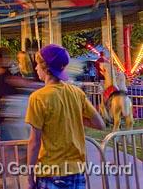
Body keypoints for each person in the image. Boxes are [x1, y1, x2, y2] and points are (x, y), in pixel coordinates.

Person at [26, 44, 105, 189]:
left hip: (50, 171)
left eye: (37, 64)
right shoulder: (77, 93)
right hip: (76, 171)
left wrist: (29, 176)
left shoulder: (38, 98)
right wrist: (72, 116)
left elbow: (34, 142)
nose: (36, 68)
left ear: (46, 68)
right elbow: (100, 124)